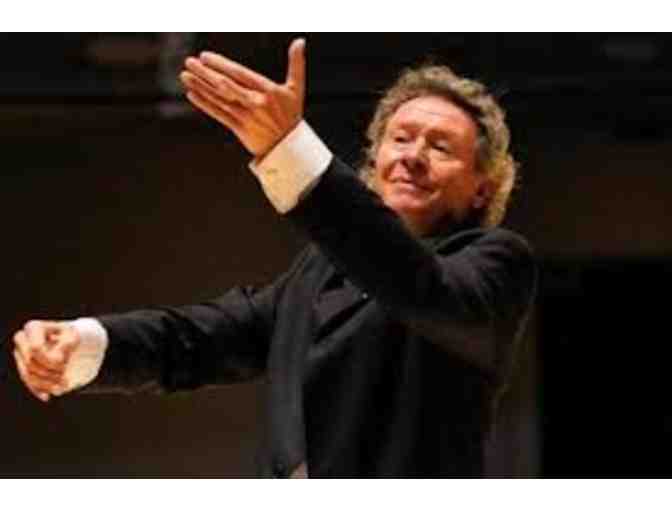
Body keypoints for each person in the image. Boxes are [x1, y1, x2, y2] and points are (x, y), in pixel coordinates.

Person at [10, 38, 537, 477]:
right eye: (400, 138)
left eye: (440, 147)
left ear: (482, 188)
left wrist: (290, 150)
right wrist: (86, 343)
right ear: (374, 159)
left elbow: (417, 286)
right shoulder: (320, 267)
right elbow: (211, 336)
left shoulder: (495, 262)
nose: (412, 156)